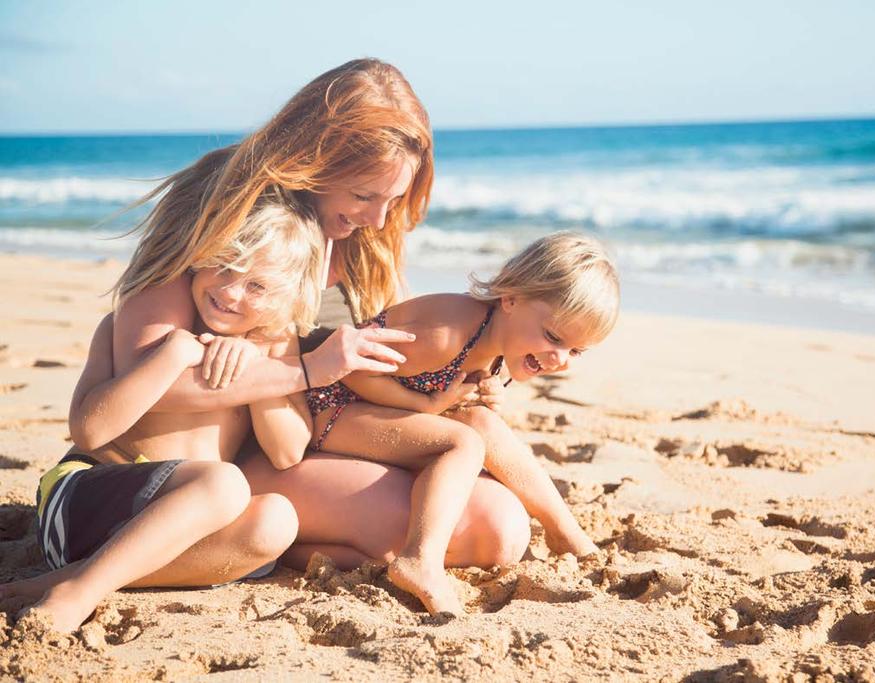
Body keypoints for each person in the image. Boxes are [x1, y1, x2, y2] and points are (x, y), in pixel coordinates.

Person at [6, 58, 530, 626]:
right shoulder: (225, 211)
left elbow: (352, 373)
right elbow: (134, 391)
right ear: (316, 156)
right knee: (477, 526)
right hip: (211, 461)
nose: (380, 219)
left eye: (392, 200)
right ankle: (87, 578)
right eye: (363, 194)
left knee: (498, 527)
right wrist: (299, 372)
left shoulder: (362, 236)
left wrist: (449, 381)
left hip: (300, 439)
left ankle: (214, 555)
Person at [248, 232, 619, 615]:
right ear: (511, 298)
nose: (559, 359)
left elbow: (458, 401)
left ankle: (563, 530)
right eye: (553, 337)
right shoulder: (446, 333)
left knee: (481, 424)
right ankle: (419, 559)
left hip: (381, 412)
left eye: (575, 351)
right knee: (462, 443)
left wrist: (485, 396)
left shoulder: (498, 339)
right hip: (333, 409)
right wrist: (424, 404)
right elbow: (354, 372)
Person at [1, 195, 324, 633]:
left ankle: (75, 580)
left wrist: (258, 368)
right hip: (80, 505)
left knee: (275, 522)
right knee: (225, 482)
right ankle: (80, 592)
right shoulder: (149, 330)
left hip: (159, 537)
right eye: (225, 265)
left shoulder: (271, 342)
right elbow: (90, 429)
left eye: (257, 286)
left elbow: (287, 452)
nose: (230, 292)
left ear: (288, 298)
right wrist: (173, 353)